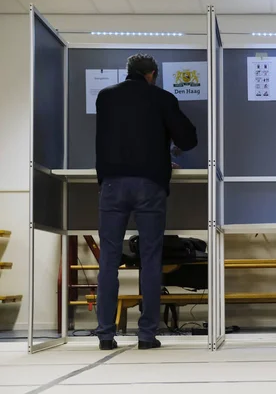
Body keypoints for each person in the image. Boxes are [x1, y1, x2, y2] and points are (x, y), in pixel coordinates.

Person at [95, 54, 198, 350]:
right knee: (151, 259)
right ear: (152, 74)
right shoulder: (162, 98)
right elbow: (188, 138)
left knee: (109, 260)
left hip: (113, 184)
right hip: (149, 184)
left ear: (128, 73)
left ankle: (105, 334)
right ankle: (146, 334)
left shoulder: (105, 97)